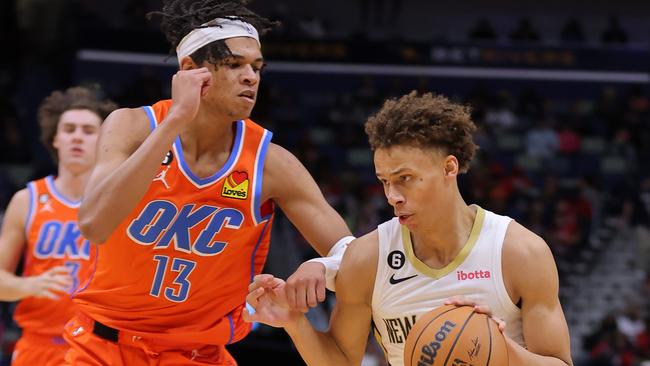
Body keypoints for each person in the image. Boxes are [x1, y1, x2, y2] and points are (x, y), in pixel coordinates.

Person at [68, 0, 352, 364]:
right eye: (234, 65)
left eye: (257, 67)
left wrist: (320, 266)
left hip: (198, 353)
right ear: (190, 69)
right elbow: (94, 224)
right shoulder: (133, 127)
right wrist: (175, 120)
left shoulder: (271, 164)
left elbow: (349, 251)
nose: (251, 77)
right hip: (103, 346)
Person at [246, 91, 574, 366]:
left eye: (405, 179)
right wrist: (294, 323)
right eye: (384, 182)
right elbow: (342, 360)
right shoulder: (368, 257)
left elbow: (559, 362)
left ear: (449, 167)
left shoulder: (519, 252)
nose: (392, 196)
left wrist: (498, 347)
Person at [0, 86, 116, 365]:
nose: (78, 137)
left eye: (88, 131)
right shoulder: (27, 200)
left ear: (103, 141)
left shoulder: (118, 202)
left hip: (98, 347)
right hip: (38, 347)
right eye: (70, 129)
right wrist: (29, 285)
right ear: (55, 138)